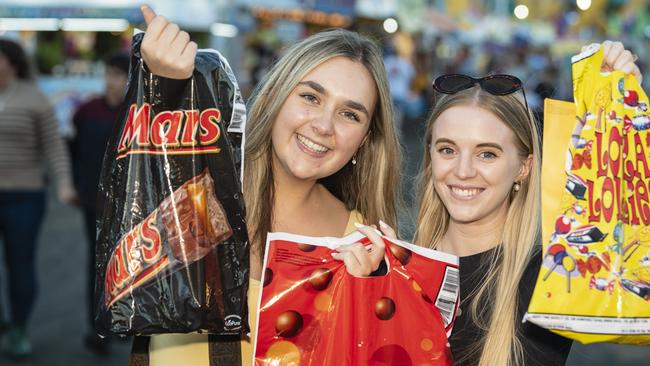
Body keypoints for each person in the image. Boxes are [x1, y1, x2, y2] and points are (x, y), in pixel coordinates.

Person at [128, 6, 400, 365]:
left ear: (364, 140)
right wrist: (160, 91)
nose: (323, 125)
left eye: (350, 114)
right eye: (310, 97)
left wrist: (369, 309)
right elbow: (130, 195)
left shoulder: (362, 245)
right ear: (274, 96)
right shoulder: (194, 188)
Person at [397, 42, 640, 366]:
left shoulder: (551, 278)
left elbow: (626, 256)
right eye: (447, 150)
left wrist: (618, 107)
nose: (463, 171)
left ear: (523, 167)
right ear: (430, 156)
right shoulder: (394, 264)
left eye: (487, 154)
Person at [0, 38, 77, 357]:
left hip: (24, 196)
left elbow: (54, 147)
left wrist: (64, 184)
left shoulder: (35, 99)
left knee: (20, 266)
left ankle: (19, 328)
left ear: (11, 62)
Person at [69, 52, 130, 355]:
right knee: (96, 265)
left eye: (119, 75)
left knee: (126, 265)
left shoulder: (135, 114)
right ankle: (98, 328)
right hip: (93, 200)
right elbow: (74, 151)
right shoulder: (87, 111)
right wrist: (74, 185)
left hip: (128, 205)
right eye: (109, 73)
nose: (112, 81)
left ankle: (123, 322)